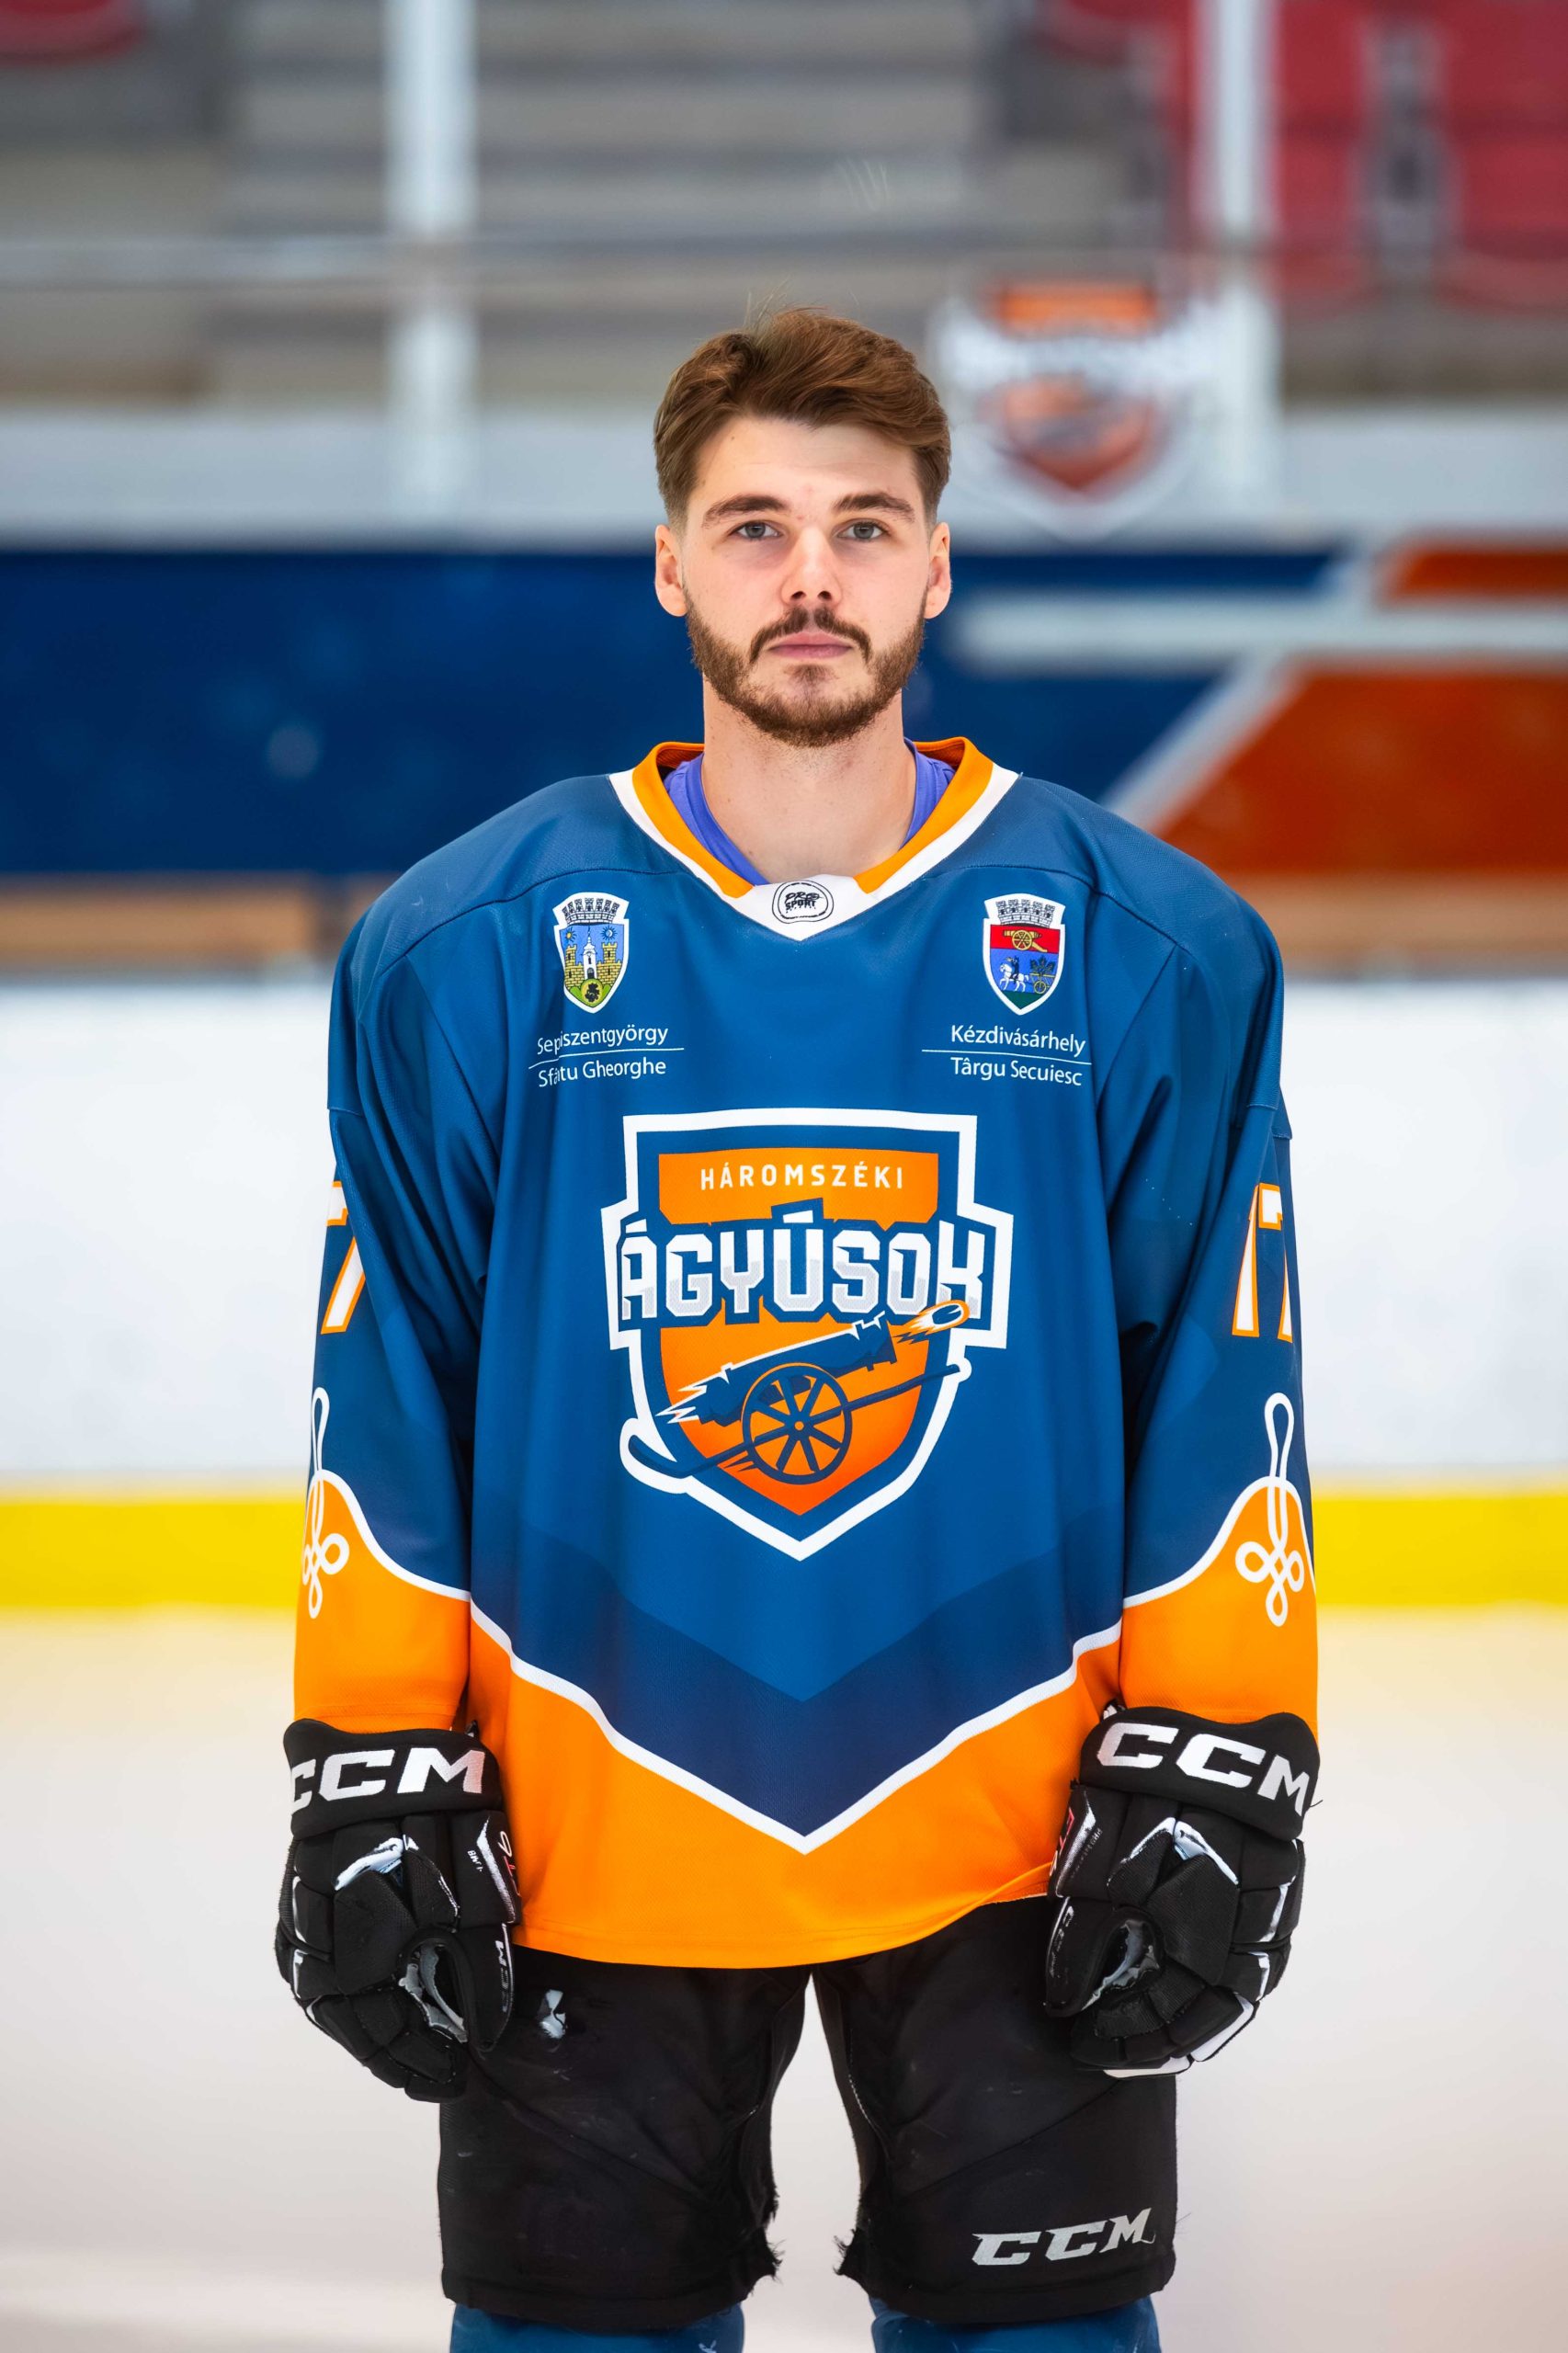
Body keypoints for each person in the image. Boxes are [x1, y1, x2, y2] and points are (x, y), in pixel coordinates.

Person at [277, 310, 1318, 2353]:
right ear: (671, 562)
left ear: (937, 562)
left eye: (864, 525)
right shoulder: (471, 946)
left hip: (1018, 1829)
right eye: (755, 526)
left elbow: (1221, 1384)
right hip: (589, 1821)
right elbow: (387, 1384)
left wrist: (1229, 1746)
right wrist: (371, 1749)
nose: (811, 575)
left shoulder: (1146, 944)